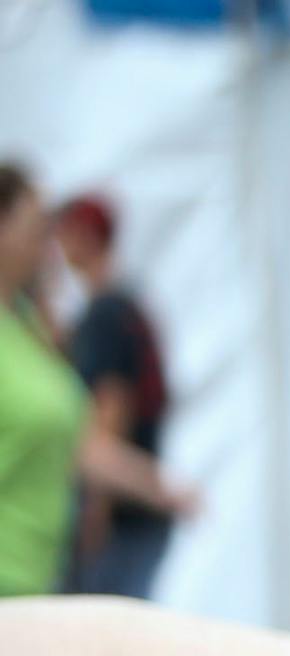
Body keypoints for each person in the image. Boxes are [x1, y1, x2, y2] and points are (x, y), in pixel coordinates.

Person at [0, 163, 189, 600]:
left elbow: (87, 434)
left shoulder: (37, 324)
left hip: (33, 578)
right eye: (38, 228)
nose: (50, 246)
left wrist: (149, 488)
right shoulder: (113, 309)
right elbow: (107, 413)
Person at [51, 192, 177, 599]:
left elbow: (110, 408)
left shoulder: (104, 312)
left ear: (84, 237)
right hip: (140, 506)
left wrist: (96, 508)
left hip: (121, 511)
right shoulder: (129, 303)